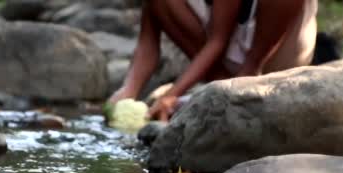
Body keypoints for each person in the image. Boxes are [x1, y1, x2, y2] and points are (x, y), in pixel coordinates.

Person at [109, 0, 319, 121]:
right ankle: (220, 85)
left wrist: (171, 95)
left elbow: (218, 41)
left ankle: (246, 79)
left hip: (277, 54)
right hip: (228, 49)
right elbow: (147, 41)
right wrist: (129, 90)